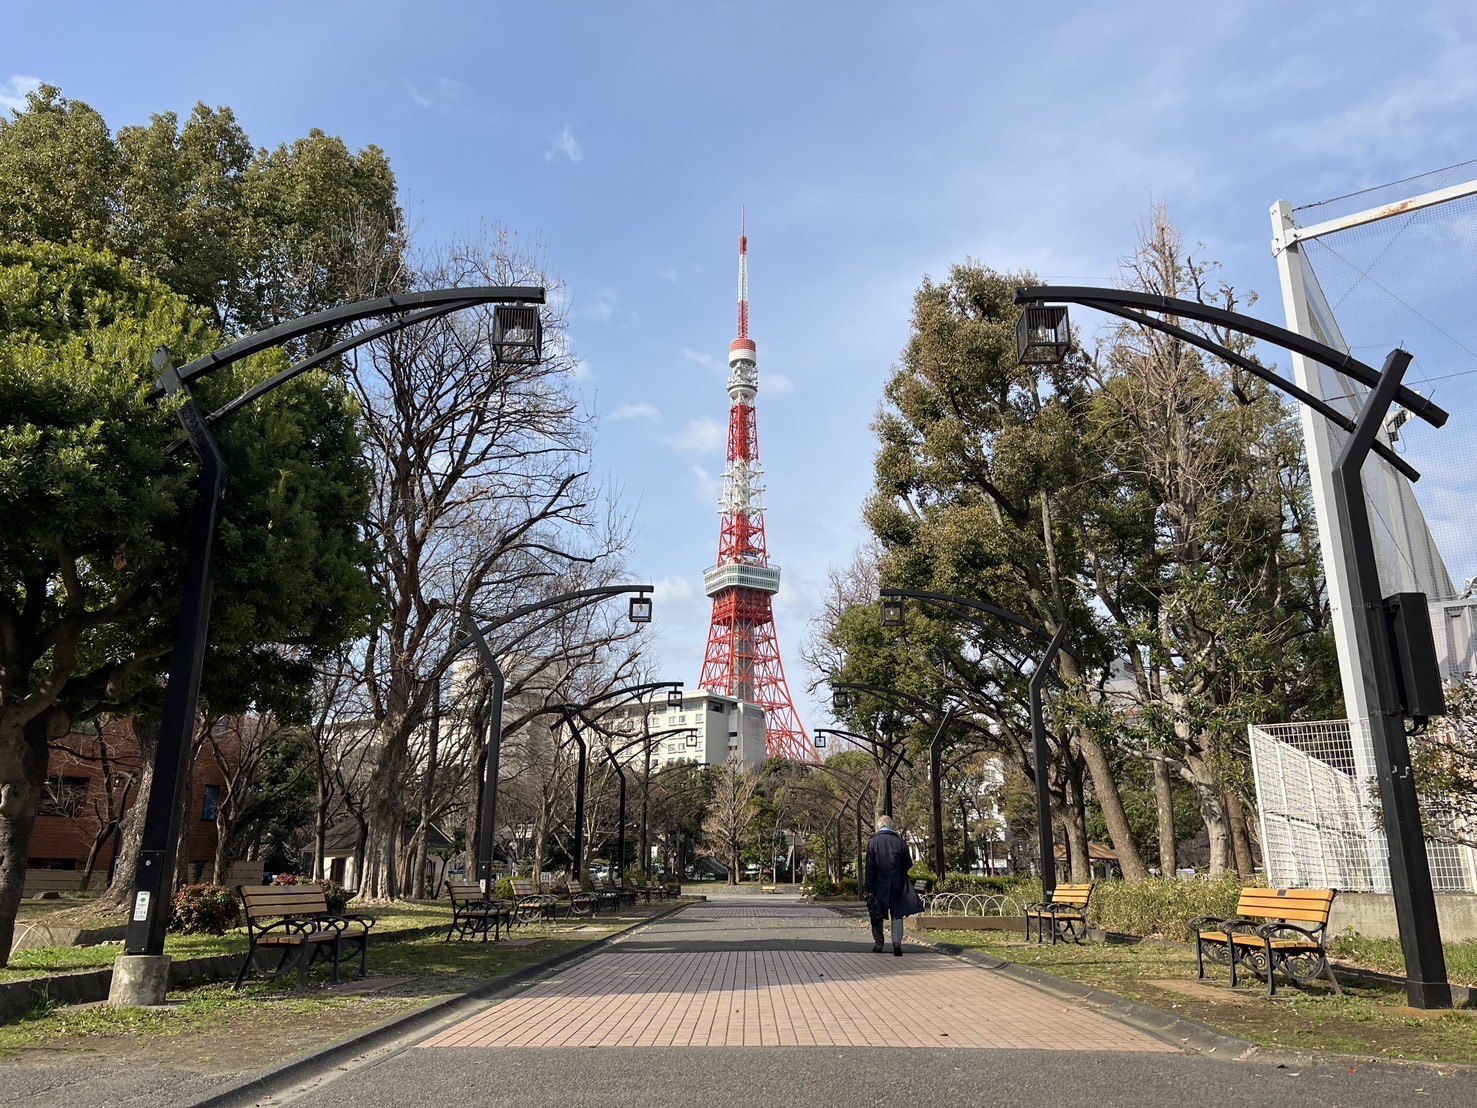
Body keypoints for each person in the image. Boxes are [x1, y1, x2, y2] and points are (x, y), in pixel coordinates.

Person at [864, 814, 913, 956]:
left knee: (877, 913)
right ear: (892, 826)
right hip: (897, 883)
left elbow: (870, 867)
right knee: (897, 913)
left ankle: (878, 943)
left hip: (879, 884)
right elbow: (908, 863)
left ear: (879, 826)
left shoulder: (873, 842)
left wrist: (869, 888)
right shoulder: (900, 842)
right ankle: (897, 942)